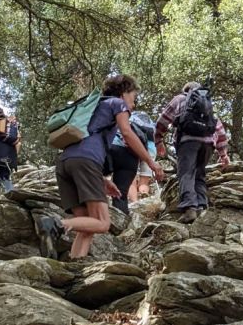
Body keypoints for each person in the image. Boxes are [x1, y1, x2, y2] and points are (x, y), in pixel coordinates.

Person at [56, 74, 164, 258]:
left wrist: (101, 180)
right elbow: (128, 134)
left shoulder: (93, 107)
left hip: (65, 163)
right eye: (133, 97)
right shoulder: (117, 103)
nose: (134, 104)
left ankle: (74, 267)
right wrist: (152, 163)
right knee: (102, 223)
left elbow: (83, 146)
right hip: (86, 162)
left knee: (87, 224)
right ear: (124, 93)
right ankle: (56, 224)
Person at [155, 82, 229, 223]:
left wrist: (158, 139)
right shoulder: (208, 102)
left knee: (186, 173)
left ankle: (189, 209)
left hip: (188, 142)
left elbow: (163, 120)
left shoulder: (180, 99)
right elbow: (219, 129)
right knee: (200, 174)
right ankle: (202, 206)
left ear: (186, 90)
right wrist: (223, 154)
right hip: (208, 145)